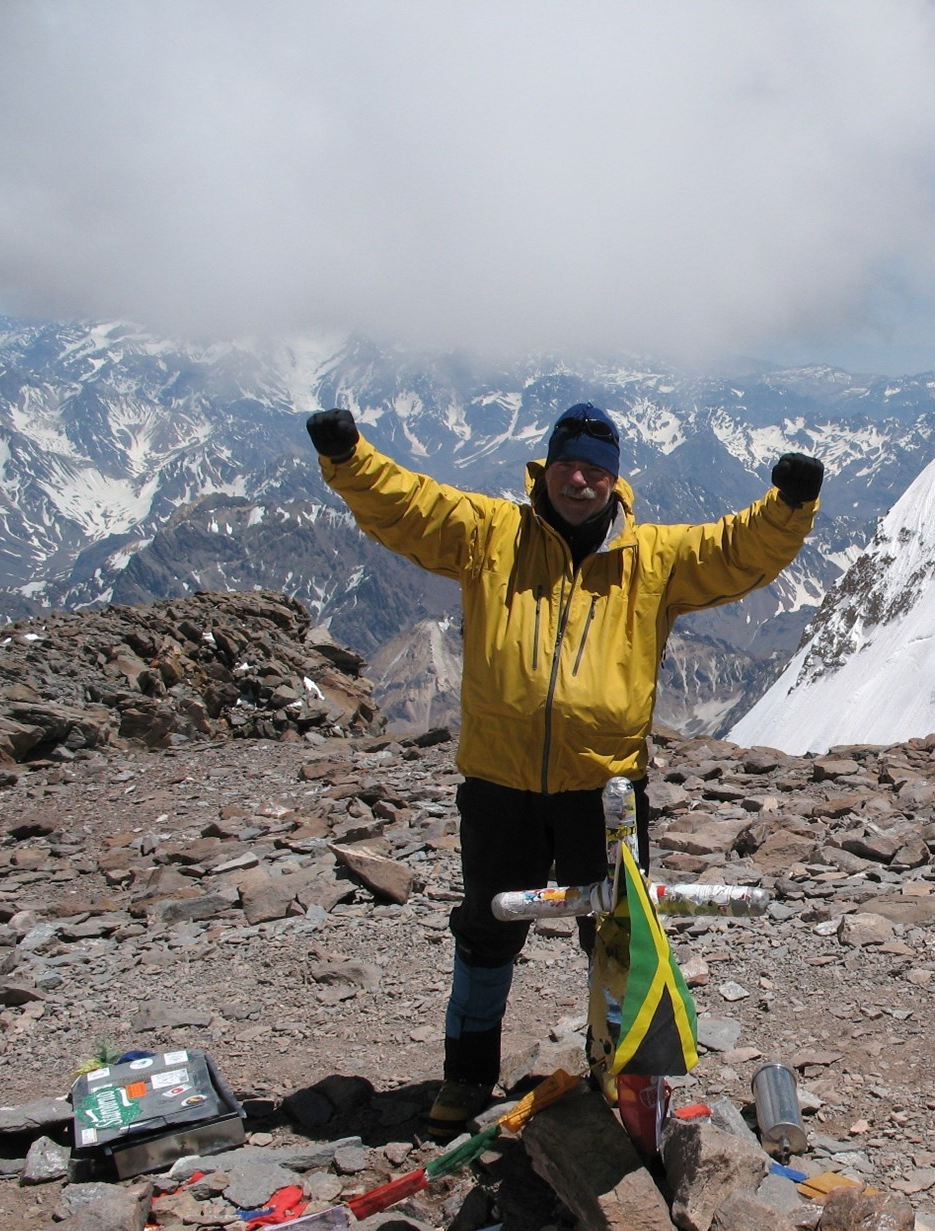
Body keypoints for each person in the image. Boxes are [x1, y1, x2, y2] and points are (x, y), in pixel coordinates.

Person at [306, 402, 821, 1138]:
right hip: (499, 780)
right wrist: (350, 458)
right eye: (570, 466)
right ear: (546, 469)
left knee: (612, 932)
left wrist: (787, 508)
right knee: (487, 928)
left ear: (616, 482)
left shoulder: (653, 560)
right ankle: (465, 1075)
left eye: (597, 471)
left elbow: (734, 551)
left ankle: (611, 1067)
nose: (581, 482)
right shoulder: (491, 535)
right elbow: (410, 508)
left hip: (605, 786)